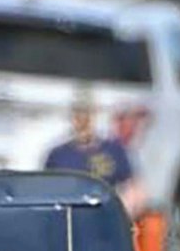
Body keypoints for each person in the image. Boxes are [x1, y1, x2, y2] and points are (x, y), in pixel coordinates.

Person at [44, 88, 146, 217]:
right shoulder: (58, 155)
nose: (83, 121)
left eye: (88, 115)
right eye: (78, 115)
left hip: (106, 215)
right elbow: (47, 192)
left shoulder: (114, 150)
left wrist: (123, 213)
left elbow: (133, 188)